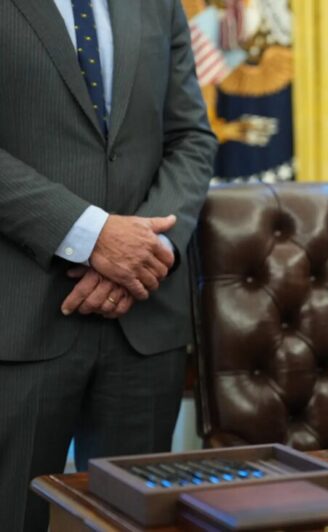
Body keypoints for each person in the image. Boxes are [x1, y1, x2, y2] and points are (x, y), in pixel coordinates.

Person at [0, 0, 217, 530]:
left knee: (138, 523)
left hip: (143, 320)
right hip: (19, 317)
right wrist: (91, 235)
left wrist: (150, 251)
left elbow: (191, 137)